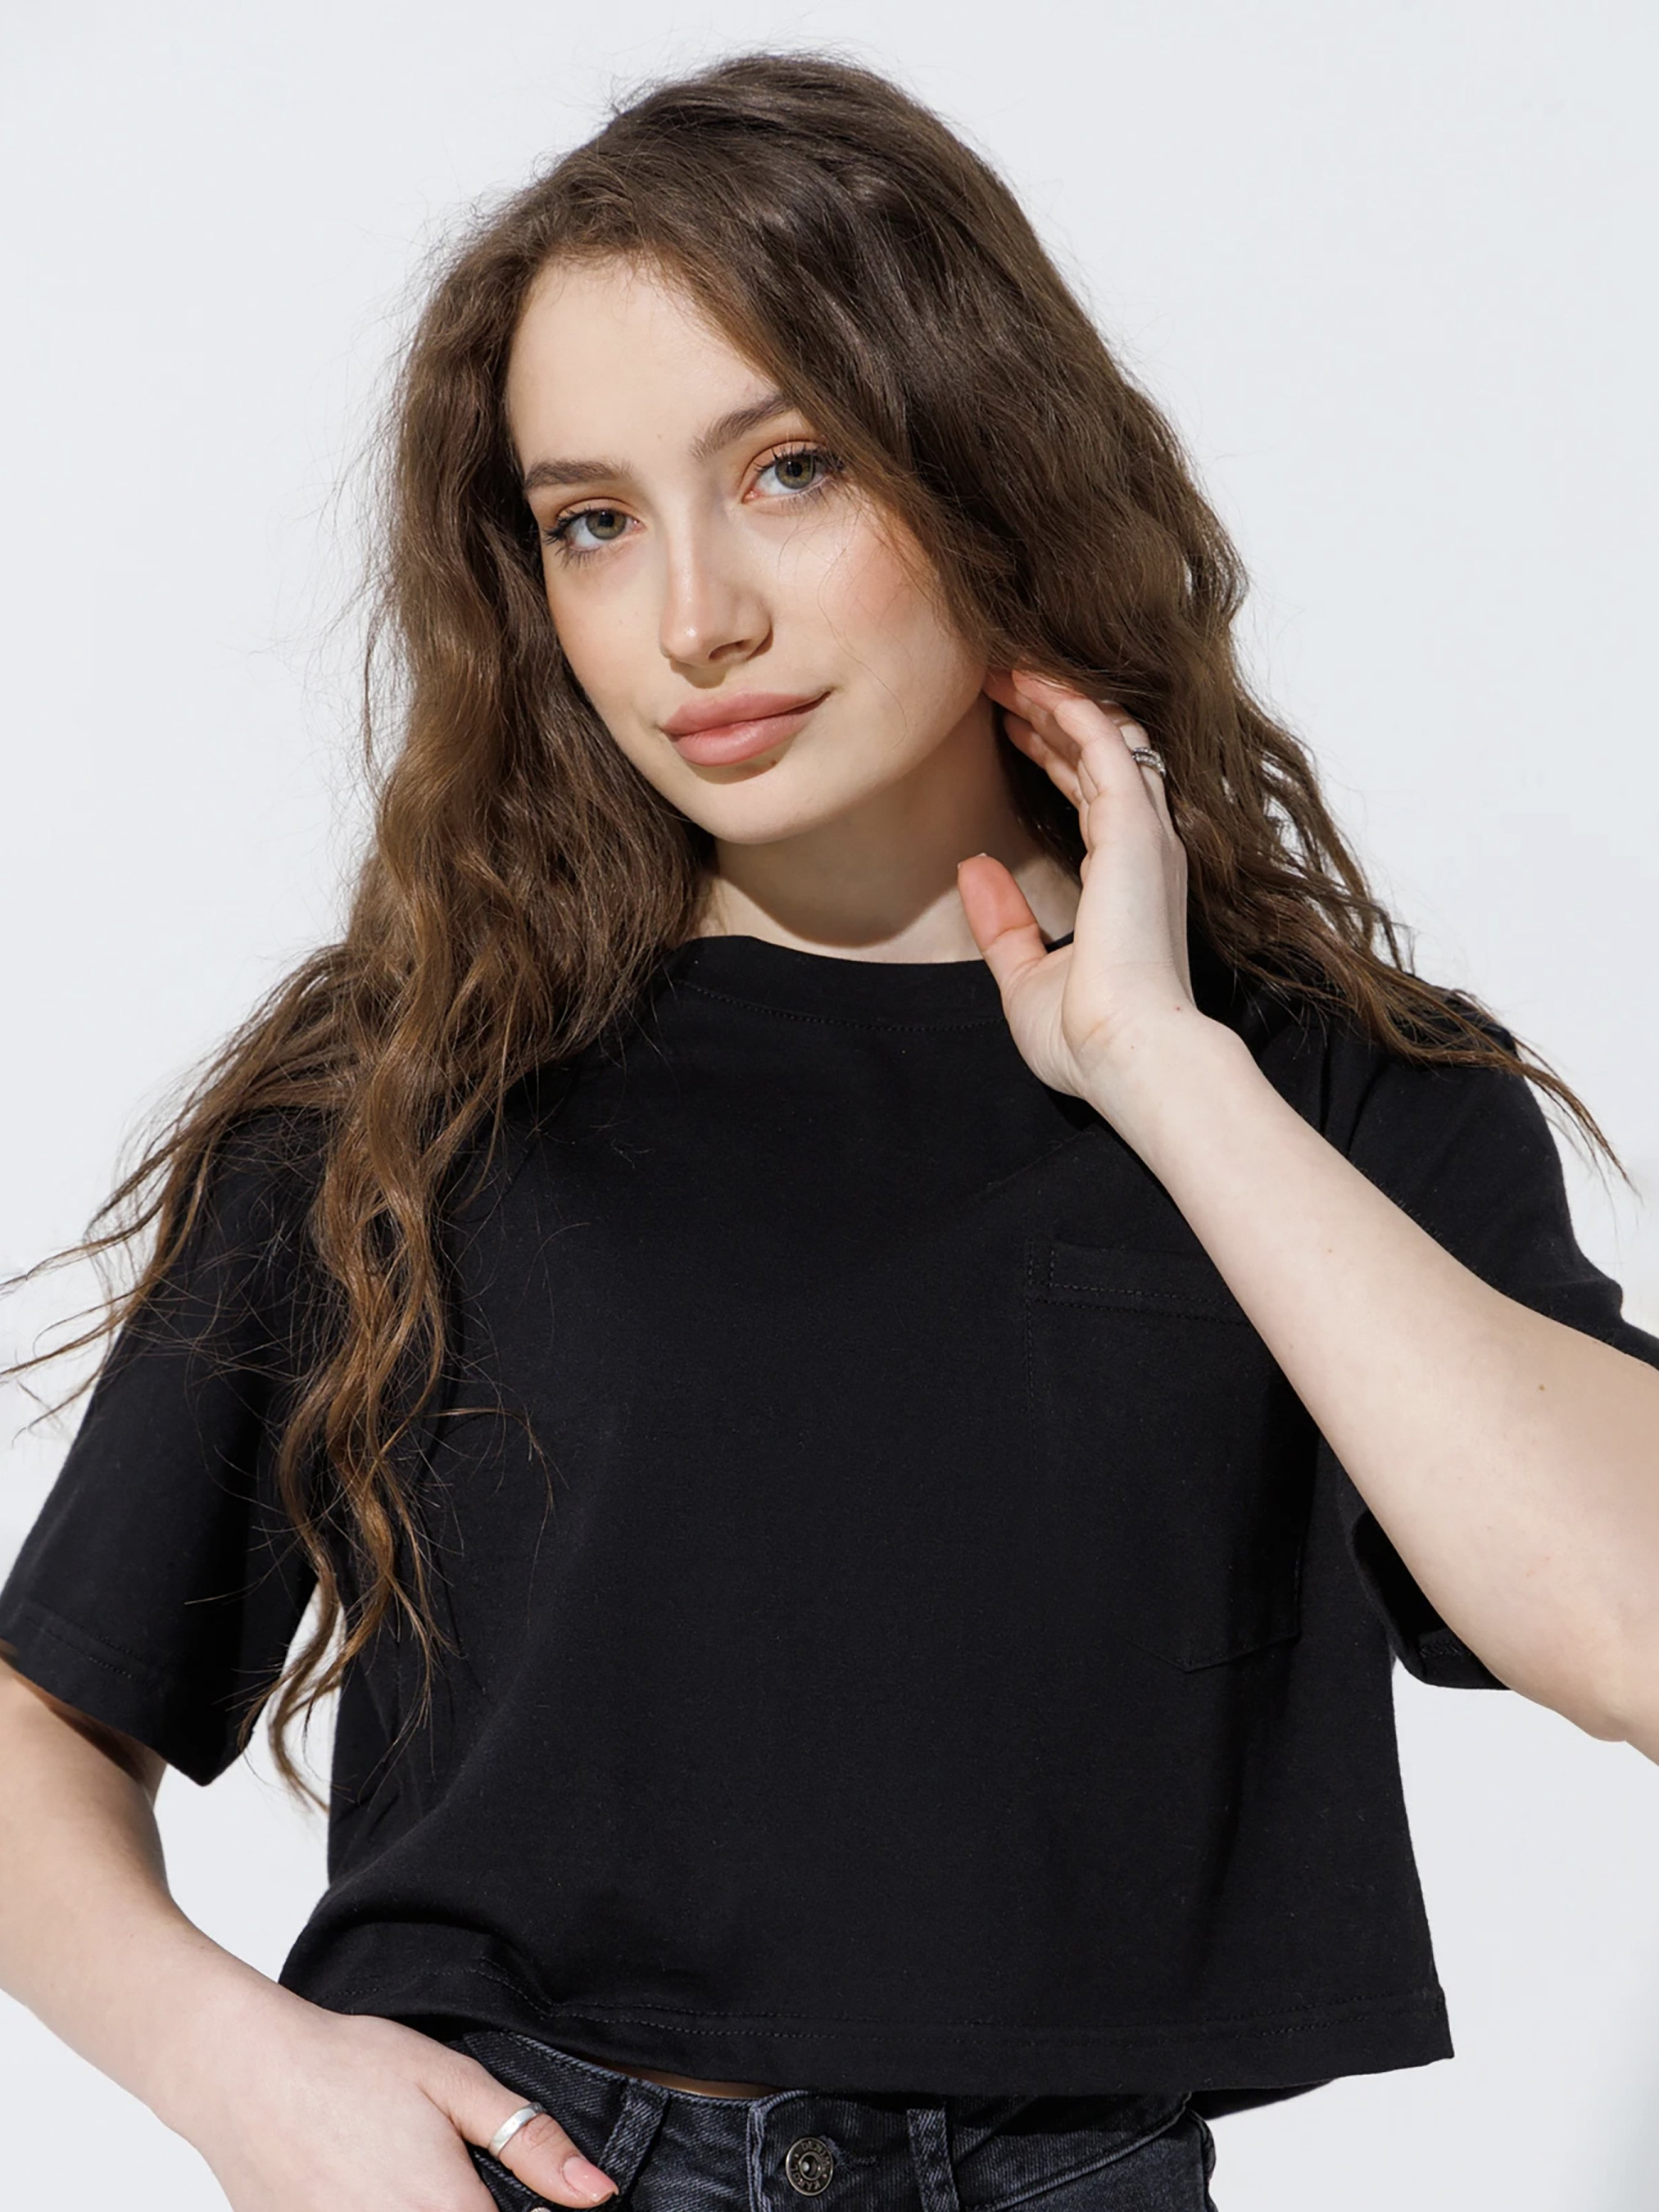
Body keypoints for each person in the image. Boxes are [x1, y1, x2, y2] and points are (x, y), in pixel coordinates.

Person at [1, 48, 1656, 2212]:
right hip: (532, 2169)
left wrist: (1160, 1068)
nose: (696, 616)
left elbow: (1629, 1625)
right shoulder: (413, 1082)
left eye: (790, 470)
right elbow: (39, 1722)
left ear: (981, 463)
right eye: (594, 522)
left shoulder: (1320, 1085)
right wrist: (240, 2072)